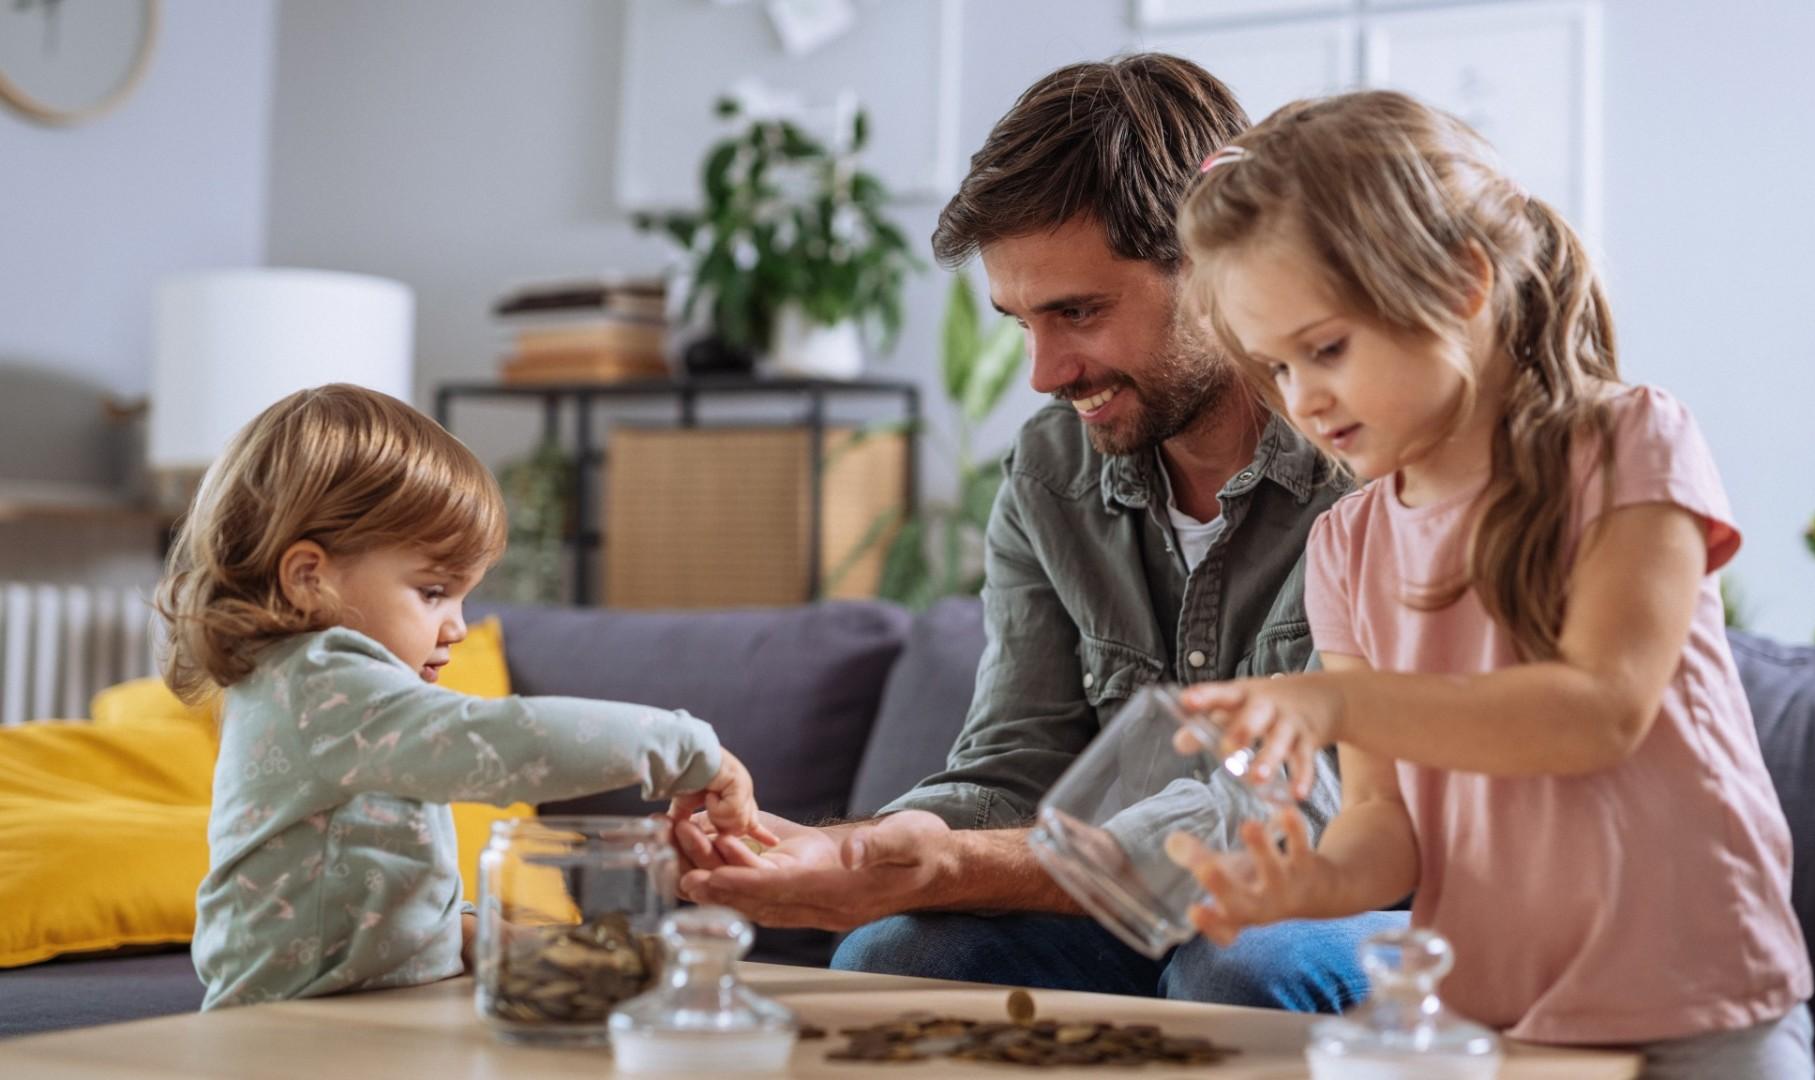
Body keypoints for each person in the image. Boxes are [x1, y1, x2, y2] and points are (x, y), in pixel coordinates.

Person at [673, 54, 1404, 1012]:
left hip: (1352, 892)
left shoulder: (1371, 465)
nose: (1046, 370)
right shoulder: (1051, 472)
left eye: (1079, 312)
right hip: (1127, 911)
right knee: (899, 956)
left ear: (1219, 265)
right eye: (1021, 321)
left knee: (1239, 966)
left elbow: (1307, 814)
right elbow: (1015, 763)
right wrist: (846, 849)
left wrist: (945, 867)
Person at [1168, 91, 1815, 1077]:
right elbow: (1385, 826)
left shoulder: (1629, 444)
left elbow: (1594, 713)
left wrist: (1338, 699)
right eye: (1277, 369)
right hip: (1496, 1020)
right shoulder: (1345, 547)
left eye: (1327, 348)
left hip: (1701, 1005)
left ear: (1461, 281)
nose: (1303, 400)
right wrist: (1306, 887)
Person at [158, 384, 769, 1010]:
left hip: (362, 1015)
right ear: (310, 578)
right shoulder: (320, 683)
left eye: (462, 596)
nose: (456, 626)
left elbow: (363, 871)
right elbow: (506, 741)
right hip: (285, 1034)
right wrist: (686, 748)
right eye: (432, 592)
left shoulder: (338, 700)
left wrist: (472, 933)